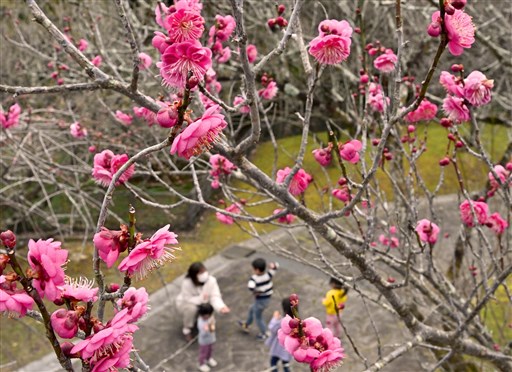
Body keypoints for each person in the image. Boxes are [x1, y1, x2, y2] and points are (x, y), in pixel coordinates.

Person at [176, 262, 230, 340]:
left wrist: (221, 307)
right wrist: (201, 299)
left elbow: (215, 296)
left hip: (203, 303)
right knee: (192, 309)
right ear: (194, 275)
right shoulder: (187, 283)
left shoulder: (211, 281)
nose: (204, 274)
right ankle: (187, 329)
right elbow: (187, 298)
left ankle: (205, 324)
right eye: (201, 273)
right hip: (187, 304)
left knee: (208, 311)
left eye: (204, 271)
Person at [238, 257, 278, 340]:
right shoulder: (268, 275)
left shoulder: (254, 278)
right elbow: (276, 266)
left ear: (257, 270)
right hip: (266, 299)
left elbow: (250, 286)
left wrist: (255, 291)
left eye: (253, 268)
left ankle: (265, 333)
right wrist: (272, 265)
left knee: (258, 318)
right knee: (251, 309)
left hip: (260, 301)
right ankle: (247, 324)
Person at [266, 298, 293, 372]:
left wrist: (275, 318)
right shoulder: (296, 321)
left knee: (273, 362)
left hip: (278, 347)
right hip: (288, 348)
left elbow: (272, 328)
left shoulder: (282, 321)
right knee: (286, 364)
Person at [197, 303, 217, 372]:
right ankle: (201, 364)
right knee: (203, 353)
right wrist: (205, 330)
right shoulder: (201, 322)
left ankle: (209, 359)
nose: (208, 317)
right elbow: (202, 334)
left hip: (211, 339)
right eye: (207, 316)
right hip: (204, 341)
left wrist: (212, 323)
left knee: (210, 350)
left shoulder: (210, 317)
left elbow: (213, 325)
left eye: (210, 315)